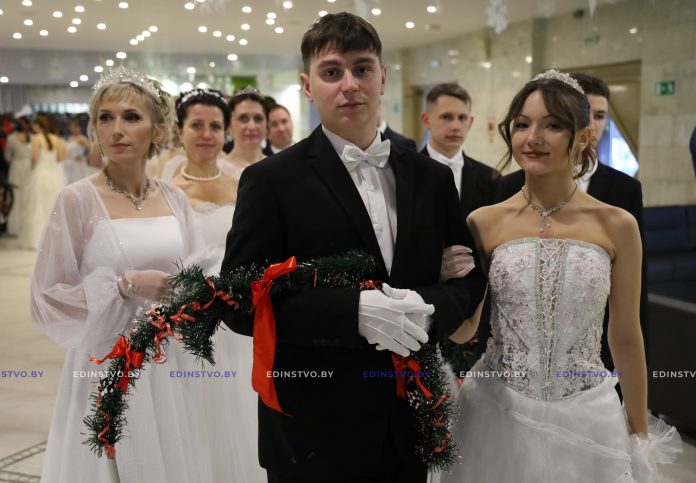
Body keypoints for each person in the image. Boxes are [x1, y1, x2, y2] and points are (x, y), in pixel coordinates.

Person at [222, 12, 486, 482]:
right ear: (308, 86)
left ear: (382, 77)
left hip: (409, 422)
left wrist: (427, 308)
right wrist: (352, 312)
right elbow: (238, 300)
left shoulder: (431, 177)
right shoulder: (270, 181)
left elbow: (468, 281)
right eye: (332, 71)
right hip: (312, 428)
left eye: (362, 68)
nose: (349, 84)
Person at [440, 70, 680, 483]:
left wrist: (639, 433)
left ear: (582, 137)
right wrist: (445, 285)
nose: (533, 138)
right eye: (522, 124)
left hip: (588, 413)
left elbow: (626, 335)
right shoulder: (483, 222)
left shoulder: (617, 225)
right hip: (496, 412)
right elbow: (465, 332)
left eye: (552, 125)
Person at [30, 66, 213, 482]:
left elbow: (197, 270)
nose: (116, 130)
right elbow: (47, 296)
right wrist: (122, 285)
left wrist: (193, 292)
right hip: (105, 358)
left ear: (158, 129)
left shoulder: (174, 198)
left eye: (131, 117)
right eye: (105, 118)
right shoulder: (76, 199)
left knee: (170, 456)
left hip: (169, 357)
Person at [494, 73, 648, 396]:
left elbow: (631, 312)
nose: (593, 124)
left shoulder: (623, 196)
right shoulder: (501, 197)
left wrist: (627, 387)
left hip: (591, 373)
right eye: (523, 124)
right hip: (508, 382)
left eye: (600, 116)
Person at [170, 88, 265, 482]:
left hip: (233, 314)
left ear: (226, 131)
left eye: (215, 126)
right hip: (184, 314)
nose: (206, 134)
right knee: (191, 410)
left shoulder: (244, 181)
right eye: (196, 125)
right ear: (179, 130)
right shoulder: (164, 186)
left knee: (237, 406)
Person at [19, 114, 66, 249]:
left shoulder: (37, 138)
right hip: (54, 176)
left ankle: (37, 239)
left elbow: (34, 158)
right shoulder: (57, 139)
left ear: (39, 126)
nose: (33, 127)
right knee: (52, 207)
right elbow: (61, 158)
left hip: (40, 174)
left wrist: (31, 168)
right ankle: (54, 239)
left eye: (34, 124)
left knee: (38, 206)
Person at [222, 87, 269, 181]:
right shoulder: (218, 168)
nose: (251, 127)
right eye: (243, 119)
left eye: (258, 118)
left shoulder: (276, 167)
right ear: (229, 125)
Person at [3, 115, 33, 236]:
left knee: (20, 195)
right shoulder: (31, 137)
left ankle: (20, 226)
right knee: (21, 195)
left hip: (19, 167)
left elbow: (7, 157)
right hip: (25, 167)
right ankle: (21, 226)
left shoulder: (12, 138)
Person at [63, 118, 92, 184]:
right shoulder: (69, 138)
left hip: (78, 165)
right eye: (72, 126)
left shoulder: (81, 138)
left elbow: (92, 149)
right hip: (68, 164)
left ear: (79, 127)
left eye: (76, 126)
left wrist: (84, 157)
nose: (74, 128)